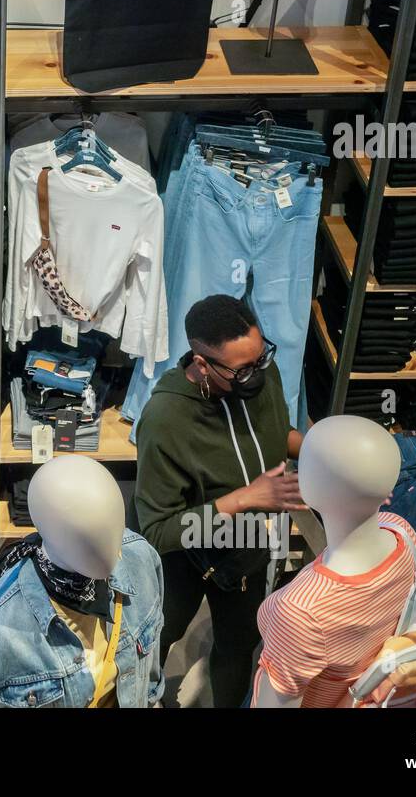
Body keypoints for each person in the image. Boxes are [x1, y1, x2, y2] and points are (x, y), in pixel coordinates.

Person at [134, 294, 305, 707]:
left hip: (247, 547)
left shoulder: (258, 370)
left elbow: (274, 434)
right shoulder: (165, 419)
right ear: (202, 363)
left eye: (261, 357)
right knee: (155, 638)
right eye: (242, 369)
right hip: (184, 552)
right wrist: (247, 498)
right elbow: (156, 531)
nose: (259, 374)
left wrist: (321, 450)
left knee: (238, 642)